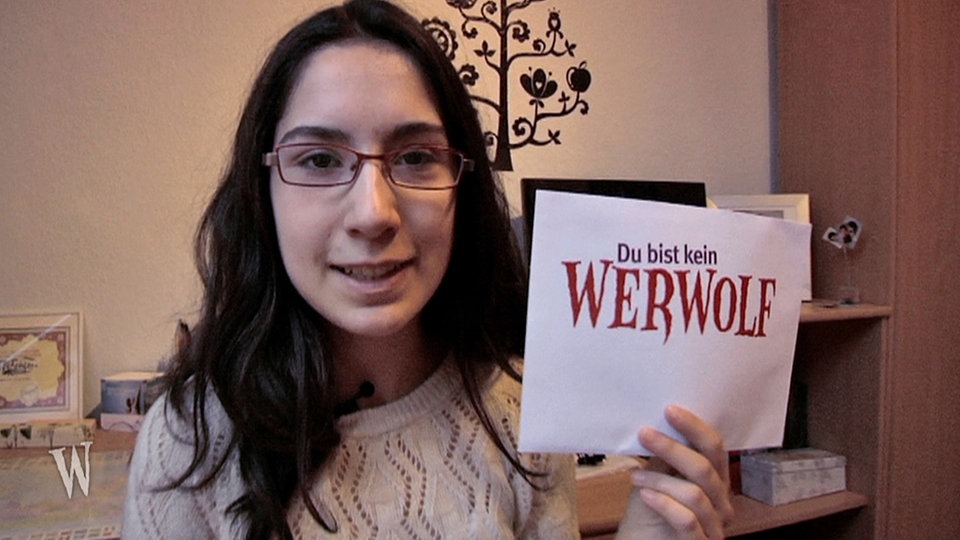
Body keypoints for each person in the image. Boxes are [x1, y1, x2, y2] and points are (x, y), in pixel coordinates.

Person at [122, 1, 734, 538]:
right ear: (264, 193)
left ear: (462, 184)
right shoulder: (188, 444)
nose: (373, 214)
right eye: (319, 160)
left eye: (416, 156)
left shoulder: (521, 418)